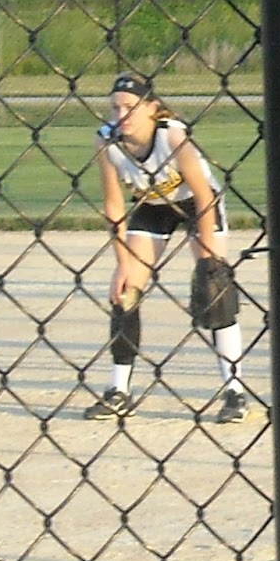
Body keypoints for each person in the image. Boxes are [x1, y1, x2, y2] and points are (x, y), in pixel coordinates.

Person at [86, 72, 250, 423]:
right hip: (151, 206)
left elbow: (203, 195)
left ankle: (235, 391)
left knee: (215, 286)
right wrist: (122, 263)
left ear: (151, 108)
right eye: (115, 108)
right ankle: (119, 390)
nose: (121, 115)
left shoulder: (172, 135)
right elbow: (114, 205)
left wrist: (209, 260)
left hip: (197, 203)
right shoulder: (107, 141)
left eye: (130, 107)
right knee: (125, 292)